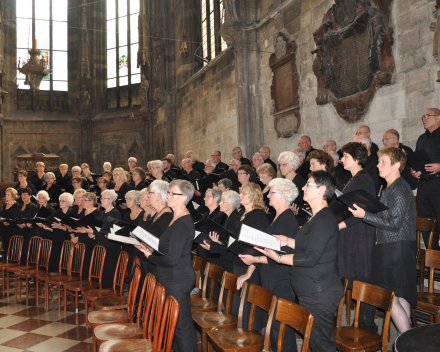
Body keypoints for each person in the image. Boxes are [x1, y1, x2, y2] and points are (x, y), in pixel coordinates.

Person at [255, 171, 344, 352]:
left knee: (322, 345)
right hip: (311, 291)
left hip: (320, 292)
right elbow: (308, 245)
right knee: (315, 342)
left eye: (308, 184)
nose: (303, 187)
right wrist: (288, 241)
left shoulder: (324, 220)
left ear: (321, 190)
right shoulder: (317, 217)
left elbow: (311, 258)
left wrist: (278, 257)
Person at [350, 147, 416, 335]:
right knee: (400, 297)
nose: (378, 165)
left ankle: (407, 342)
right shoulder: (391, 187)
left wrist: (365, 215)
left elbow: (394, 224)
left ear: (396, 165)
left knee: (392, 299)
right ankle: (408, 340)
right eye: (379, 161)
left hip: (397, 249)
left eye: (383, 162)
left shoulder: (400, 188)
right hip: (393, 247)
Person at [239, 178, 299, 351]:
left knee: (281, 330)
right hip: (272, 278)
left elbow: (283, 256)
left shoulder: (287, 219)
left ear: (282, 196)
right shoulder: (278, 217)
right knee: (273, 327)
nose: (268, 195)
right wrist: (251, 268)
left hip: (282, 279)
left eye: (272, 192)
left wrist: (255, 260)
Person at [139, 179, 198, 352]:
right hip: (172, 276)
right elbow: (168, 248)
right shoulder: (175, 217)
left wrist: (150, 256)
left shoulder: (182, 222)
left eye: (173, 193)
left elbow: (172, 259)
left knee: (181, 326)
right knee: (178, 323)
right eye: (169, 192)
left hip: (177, 278)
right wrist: (150, 247)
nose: (168, 196)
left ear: (184, 197)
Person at [338, 142, 376, 296]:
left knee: (361, 277)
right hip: (352, 232)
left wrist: (341, 225)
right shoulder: (355, 179)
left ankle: (366, 320)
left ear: (356, 159)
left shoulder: (362, 179)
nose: (342, 159)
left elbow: (363, 210)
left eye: (346, 156)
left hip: (359, 233)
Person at [232, 183, 270, 331]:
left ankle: (250, 337)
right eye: (240, 192)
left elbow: (260, 247)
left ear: (254, 196)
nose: (240, 195)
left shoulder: (259, 216)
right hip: (238, 262)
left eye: (244, 193)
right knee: (239, 306)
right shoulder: (241, 213)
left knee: (247, 307)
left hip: (250, 266)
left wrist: (248, 272)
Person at [411, 108, 440, 250]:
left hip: (438, 184)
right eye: (424, 116)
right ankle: (432, 260)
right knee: (426, 225)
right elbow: (418, 160)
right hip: (423, 186)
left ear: (438, 118)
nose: (424, 118)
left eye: (428, 116)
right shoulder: (421, 138)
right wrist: (414, 171)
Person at [136, 181, 173, 278]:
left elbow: (166, 248)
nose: (147, 197)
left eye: (150, 193)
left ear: (158, 196)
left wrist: (147, 248)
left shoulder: (167, 216)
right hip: (152, 263)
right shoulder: (157, 214)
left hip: (160, 268)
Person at [205, 190, 242, 273]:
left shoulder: (235, 220)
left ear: (231, 205)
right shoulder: (229, 218)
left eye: (223, 202)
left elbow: (231, 245)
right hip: (225, 259)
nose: (220, 203)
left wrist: (212, 248)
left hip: (230, 261)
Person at [94, 189, 122, 289]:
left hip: (110, 246)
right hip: (101, 243)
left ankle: (110, 292)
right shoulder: (102, 212)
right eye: (101, 198)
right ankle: (102, 290)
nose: (101, 200)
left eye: (103, 198)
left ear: (111, 200)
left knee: (110, 270)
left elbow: (107, 230)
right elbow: (98, 227)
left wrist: (92, 232)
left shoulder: (115, 213)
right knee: (101, 269)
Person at [40, 193, 75, 272]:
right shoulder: (57, 212)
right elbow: (50, 225)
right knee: (56, 260)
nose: (61, 203)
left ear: (69, 203)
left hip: (68, 241)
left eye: (63, 201)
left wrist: (62, 227)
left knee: (66, 261)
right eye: (60, 201)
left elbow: (74, 229)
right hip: (57, 240)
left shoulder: (72, 213)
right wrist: (47, 227)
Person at [75, 192, 101, 278]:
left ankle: (89, 282)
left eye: (84, 200)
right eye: (82, 200)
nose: (82, 202)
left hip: (92, 241)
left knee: (90, 263)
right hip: (82, 240)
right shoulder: (82, 212)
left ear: (91, 201)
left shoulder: (98, 213)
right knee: (81, 263)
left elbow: (99, 229)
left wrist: (85, 231)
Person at [278, 151, 307, 225]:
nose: (281, 167)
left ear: (292, 165)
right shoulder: (281, 182)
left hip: (296, 221)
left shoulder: (301, 183)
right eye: (280, 165)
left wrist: (296, 212)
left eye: (284, 164)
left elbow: (303, 207)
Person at [16, 187, 39, 264]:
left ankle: (28, 271)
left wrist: (25, 225)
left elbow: (34, 221)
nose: (23, 196)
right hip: (18, 231)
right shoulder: (19, 206)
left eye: (26, 194)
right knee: (19, 252)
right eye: (22, 195)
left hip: (28, 233)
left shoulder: (34, 207)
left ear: (30, 196)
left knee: (27, 252)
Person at [123, 190, 144, 270]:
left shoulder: (142, 214)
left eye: (130, 199)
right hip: (128, 246)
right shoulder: (127, 215)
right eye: (126, 199)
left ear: (136, 200)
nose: (127, 201)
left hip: (137, 248)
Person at [0, 188, 21, 257]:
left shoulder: (17, 205)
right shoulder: (5, 205)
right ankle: (5, 262)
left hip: (12, 229)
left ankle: (12, 263)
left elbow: (16, 218)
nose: (6, 196)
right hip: (4, 229)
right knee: (5, 247)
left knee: (11, 248)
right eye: (6, 194)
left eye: (8, 195)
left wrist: (9, 223)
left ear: (13, 196)